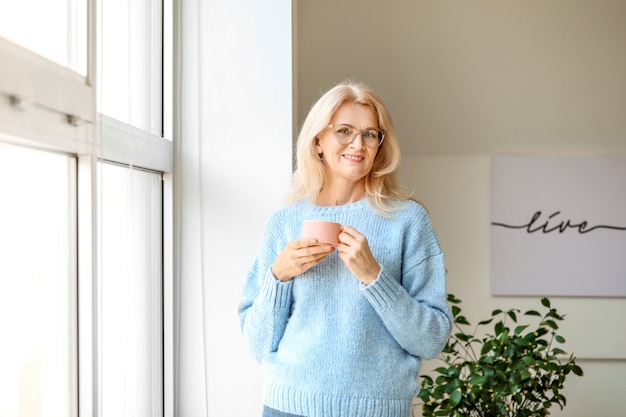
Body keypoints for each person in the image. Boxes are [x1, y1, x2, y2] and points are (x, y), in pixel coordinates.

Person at [238, 80, 452, 417]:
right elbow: (257, 345)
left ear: (381, 146)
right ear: (318, 141)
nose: (358, 143)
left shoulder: (408, 221)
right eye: (344, 131)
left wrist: (375, 277)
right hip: (287, 408)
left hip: (378, 410)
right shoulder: (284, 223)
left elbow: (432, 339)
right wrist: (278, 277)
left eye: (370, 134)